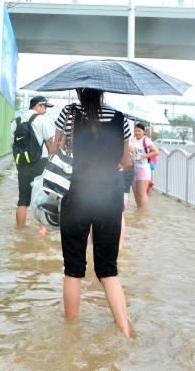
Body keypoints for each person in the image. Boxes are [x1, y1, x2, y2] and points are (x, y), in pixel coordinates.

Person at [53, 88, 132, 334]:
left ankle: (72, 335)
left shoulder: (68, 114)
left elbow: (56, 151)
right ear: (103, 90)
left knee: (73, 270)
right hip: (109, 196)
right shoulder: (120, 118)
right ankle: (125, 330)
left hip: (75, 194)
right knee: (108, 271)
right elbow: (126, 162)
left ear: (78, 90)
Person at [11, 96, 55, 227]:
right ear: (37, 106)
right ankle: (42, 233)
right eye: (44, 106)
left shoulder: (16, 121)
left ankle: (20, 230)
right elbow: (50, 142)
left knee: (23, 200)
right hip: (40, 163)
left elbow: (12, 144)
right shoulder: (42, 120)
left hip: (22, 163)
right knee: (43, 198)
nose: (46, 110)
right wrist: (52, 159)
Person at [131, 123, 158, 209]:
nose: (137, 133)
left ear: (143, 132)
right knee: (135, 192)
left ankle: (143, 212)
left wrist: (144, 156)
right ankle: (139, 210)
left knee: (141, 193)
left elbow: (156, 152)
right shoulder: (133, 140)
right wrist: (132, 143)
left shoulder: (146, 140)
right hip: (133, 168)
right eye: (135, 131)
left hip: (143, 169)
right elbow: (131, 151)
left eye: (139, 131)